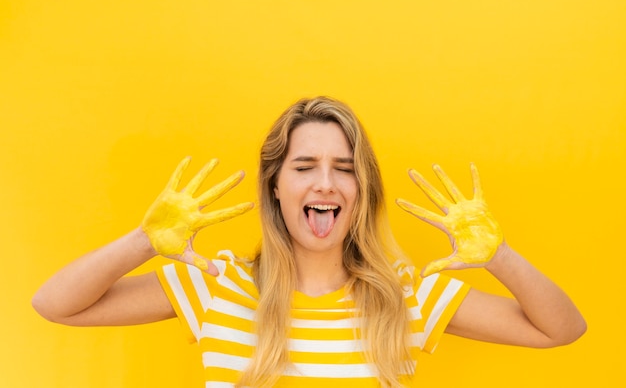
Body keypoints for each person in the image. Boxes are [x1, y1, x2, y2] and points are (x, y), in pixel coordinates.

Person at [32, 96, 586, 387]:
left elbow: (562, 329)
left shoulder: (405, 297)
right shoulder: (216, 286)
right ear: (276, 185)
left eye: (344, 168)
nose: (325, 182)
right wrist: (142, 243)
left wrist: (499, 257)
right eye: (305, 166)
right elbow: (55, 305)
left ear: (361, 188)